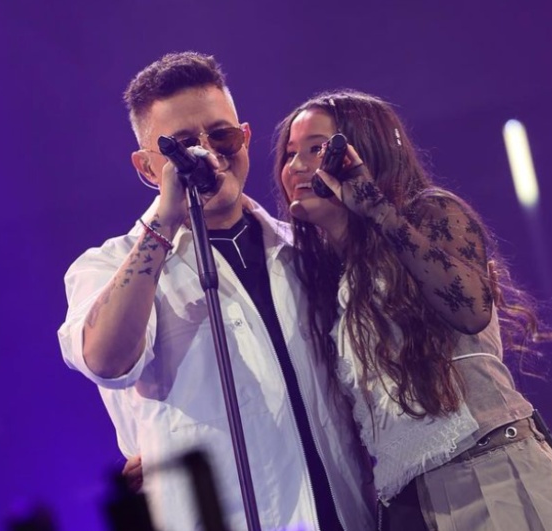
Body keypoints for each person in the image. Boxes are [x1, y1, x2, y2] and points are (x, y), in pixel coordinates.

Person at [57, 53, 374, 531]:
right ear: (147, 168)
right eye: (182, 146)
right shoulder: (106, 265)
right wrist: (166, 218)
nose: (209, 153)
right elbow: (105, 359)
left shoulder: (306, 249)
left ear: (245, 136)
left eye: (221, 135)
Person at [274, 90, 552, 530]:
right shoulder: (329, 278)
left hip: (485, 467)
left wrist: (374, 207)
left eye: (317, 149)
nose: (298, 166)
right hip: (406, 503)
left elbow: (471, 310)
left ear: (364, 151)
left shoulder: (428, 214)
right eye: (290, 154)